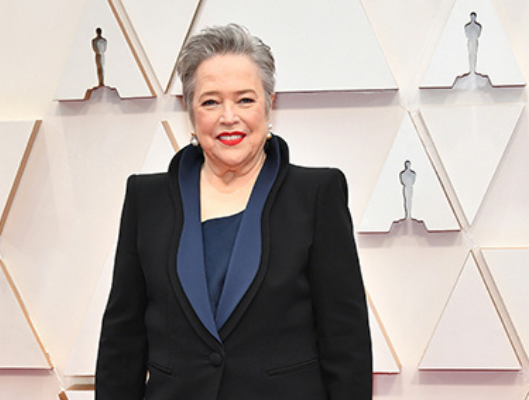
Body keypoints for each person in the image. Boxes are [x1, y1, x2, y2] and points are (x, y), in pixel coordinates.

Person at [95, 23, 372, 400]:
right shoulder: (147, 200)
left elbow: (346, 343)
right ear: (190, 110)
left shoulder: (316, 194)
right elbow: (121, 342)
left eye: (244, 100)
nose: (229, 117)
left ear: (269, 104)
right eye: (210, 102)